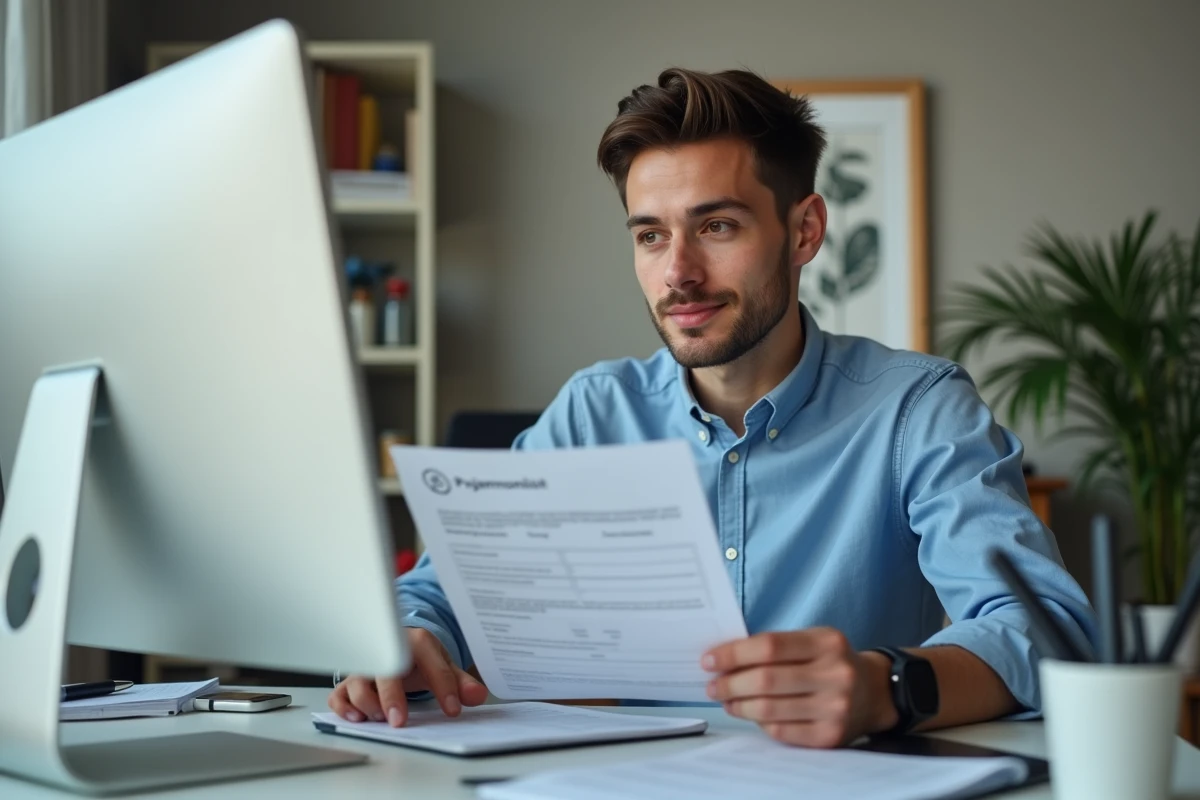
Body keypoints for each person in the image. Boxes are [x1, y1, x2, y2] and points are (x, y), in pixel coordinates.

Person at [329, 67, 1094, 748]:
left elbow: (1048, 630)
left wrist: (886, 686)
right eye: (651, 235)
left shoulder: (916, 409)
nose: (679, 273)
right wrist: (406, 633)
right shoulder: (594, 411)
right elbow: (438, 592)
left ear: (805, 230)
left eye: (716, 226)